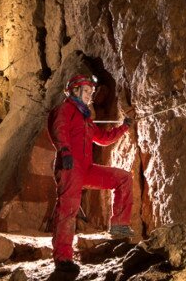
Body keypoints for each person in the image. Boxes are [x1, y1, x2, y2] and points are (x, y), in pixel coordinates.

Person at [47, 74, 134, 273]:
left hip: (86, 168)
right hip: (70, 167)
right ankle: (63, 258)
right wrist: (65, 151)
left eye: (91, 92)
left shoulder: (86, 117)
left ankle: (119, 227)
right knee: (68, 210)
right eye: (86, 91)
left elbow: (103, 138)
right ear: (75, 91)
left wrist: (124, 128)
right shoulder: (66, 108)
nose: (89, 95)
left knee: (123, 178)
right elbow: (58, 128)